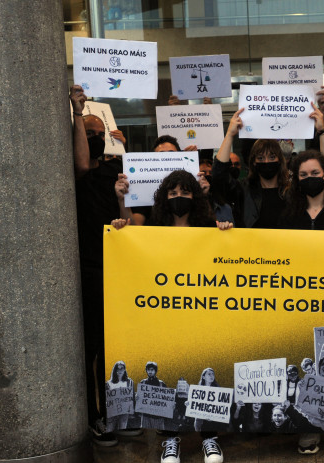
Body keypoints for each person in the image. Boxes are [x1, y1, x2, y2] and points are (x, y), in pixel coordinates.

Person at [111, 172, 230, 463]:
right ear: (164, 197)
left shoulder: (209, 229)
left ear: (196, 197)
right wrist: (120, 212)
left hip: (201, 316)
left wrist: (226, 231)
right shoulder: (152, 229)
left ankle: (209, 437)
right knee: (170, 373)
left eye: (186, 192)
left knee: (204, 371)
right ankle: (169, 440)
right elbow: (128, 233)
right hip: (164, 318)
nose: (179, 198)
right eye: (173, 192)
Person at [70, 85, 127, 446]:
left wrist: (122, 148)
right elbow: (80, 163)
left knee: (113, 349)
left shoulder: (112, 174)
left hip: (117, 272)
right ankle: (93, 418)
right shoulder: (73, 175)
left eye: (97, 134)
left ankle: (115, 414)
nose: (92, 139)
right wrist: (78, 112)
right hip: (87, 273)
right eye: (87, 134)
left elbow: (134, 201)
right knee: (90, 349)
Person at [213, 102, 324, 229]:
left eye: (272, 157)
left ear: (280, 160)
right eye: (260, 158)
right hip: (252, 247)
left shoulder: (294, 189)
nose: (266, 162)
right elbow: (219, 176)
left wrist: (322, 131)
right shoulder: (244, 190)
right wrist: (230, 134)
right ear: (253, 162)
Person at [106, 361, 135, 431]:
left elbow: (132, 397)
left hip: (124, 413)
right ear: (115, 370)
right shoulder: (108, 383)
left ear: (125, 370)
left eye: (122, 368)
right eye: (117, 368)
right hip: (112, 413)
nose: (120, 370)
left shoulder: (130, 382)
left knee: (122, 430)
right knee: (110, 429)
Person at [138, 361, 167, 429]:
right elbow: (140, 397)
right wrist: (137, 398)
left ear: (155, 371)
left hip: (158, 416)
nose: (150, 371)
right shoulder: (143, 382)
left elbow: (166, 400)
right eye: (148, 370)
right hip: (146, 416)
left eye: (152, 370)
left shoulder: (161, 384)